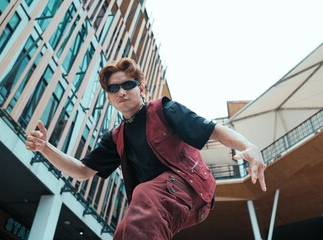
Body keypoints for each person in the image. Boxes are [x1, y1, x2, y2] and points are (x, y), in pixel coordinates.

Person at [25, 58, 266, 240]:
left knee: (144, 195)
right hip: (161, 206)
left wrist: (249, 146)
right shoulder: (116, 137)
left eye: (128, 85)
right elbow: (82, 171)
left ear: (140, 88)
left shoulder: (164, 110)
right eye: (113, 88)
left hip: (192, 190)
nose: (121, 91)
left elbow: (211, 129)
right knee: (124, 229)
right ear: (108, 97)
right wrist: (46, 148)